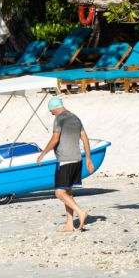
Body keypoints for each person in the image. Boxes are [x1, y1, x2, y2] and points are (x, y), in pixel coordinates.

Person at [35, 96, 95, 232]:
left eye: (51, 111)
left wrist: (43, 153)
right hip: (77, 159)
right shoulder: (75, 117)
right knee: (68, 192)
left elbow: (55, 138)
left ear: (55, 108)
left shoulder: (59, 118)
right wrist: (88, 159)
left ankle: (81, 212)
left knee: (59, 193)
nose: (51, 113)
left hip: (65, 160)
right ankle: (69, 224)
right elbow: (85, 138)